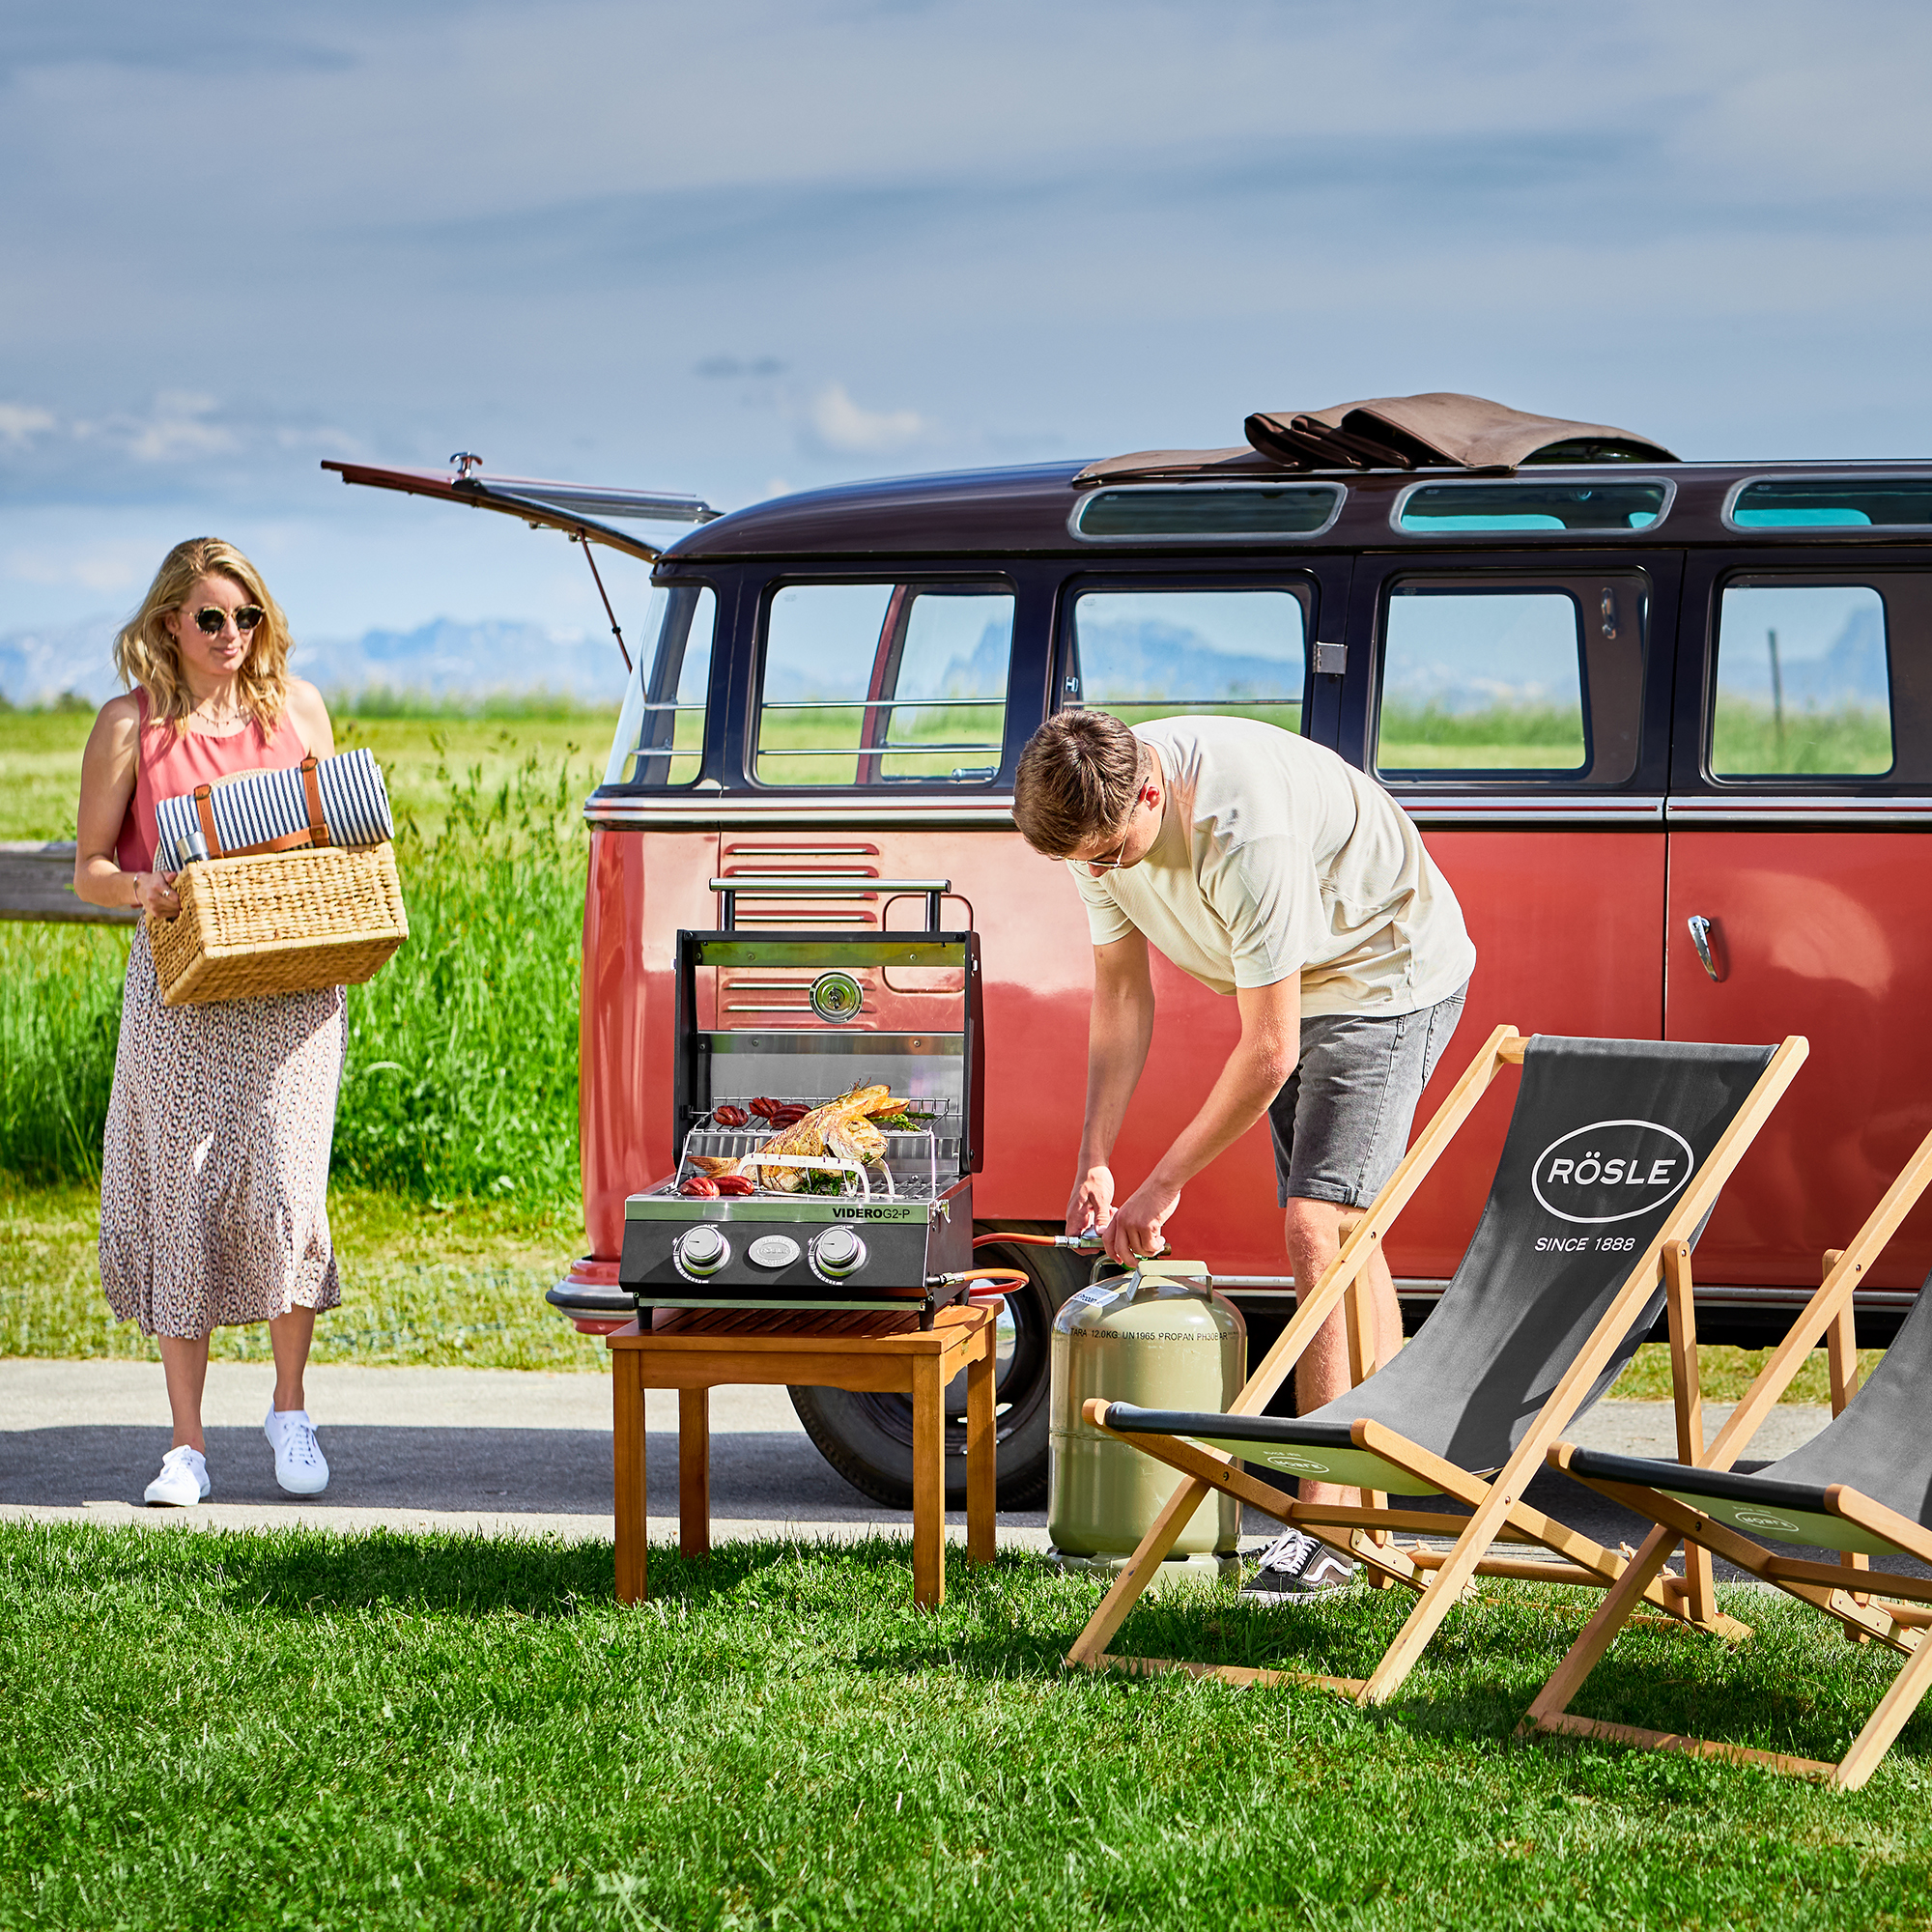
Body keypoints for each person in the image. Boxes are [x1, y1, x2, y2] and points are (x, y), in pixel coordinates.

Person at [1012, 709, 1475, 1596]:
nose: (1099, 875)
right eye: (1080, 865)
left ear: (1151, 790)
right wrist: (1097, 1158)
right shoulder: (1091, 818)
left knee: (1317, 1225)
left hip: (1384, 970)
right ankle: (1391, 1482)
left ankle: (1331, 1522)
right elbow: (1120, 997)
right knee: (1348, 1234)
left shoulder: (1240, 824)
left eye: (1108, 857)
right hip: (1303, 986)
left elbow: (1270, 1050)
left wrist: (1160, 1188)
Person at [73, 537, 344, 1506]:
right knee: (179, 1197)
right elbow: (89, 867)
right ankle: (185, 1444)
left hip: (294, 989)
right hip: (181, 990)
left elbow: (340, 830)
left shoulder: (298, 708)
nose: (233, 635)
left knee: (286, 1193)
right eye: (212, 619)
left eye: (248, 617)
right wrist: (143, 885)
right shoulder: (127, 725)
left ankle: (289, 1407)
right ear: (168, 625)